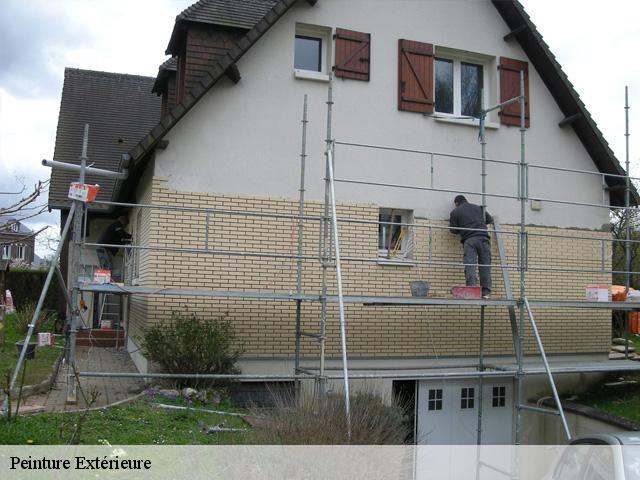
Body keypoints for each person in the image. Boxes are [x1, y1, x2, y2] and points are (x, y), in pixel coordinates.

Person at [449, 195, 493, 298]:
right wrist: (478, 222)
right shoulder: (478, 208)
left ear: (456, 203)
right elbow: (490, 219)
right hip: (484, 239)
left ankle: (472, 289)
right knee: (485, 266)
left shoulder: (455, 212)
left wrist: (463, 226)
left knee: (470, 265)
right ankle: (486, 292)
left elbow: (452, 230)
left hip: (470, 240)